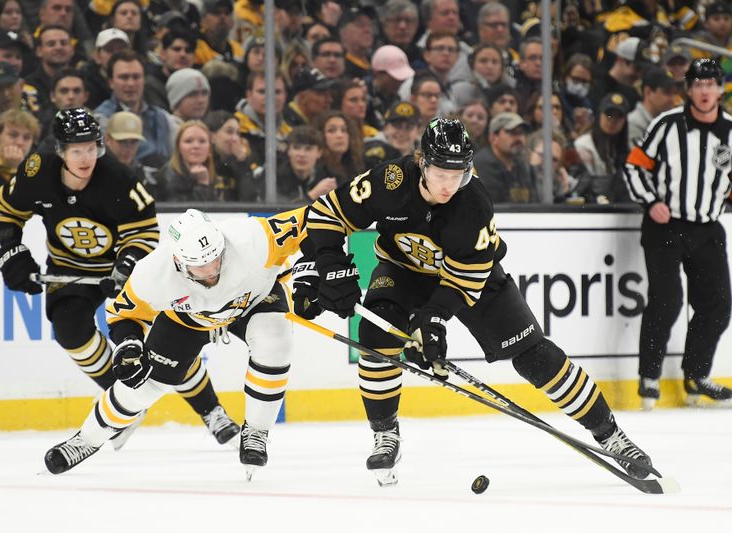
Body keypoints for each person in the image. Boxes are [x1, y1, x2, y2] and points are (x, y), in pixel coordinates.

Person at [294, 118, 654, 486]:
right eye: (439, 173)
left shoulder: (474, 204)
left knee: (536, 356)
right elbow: (326, 213)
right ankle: (385, 434)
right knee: (375, 336)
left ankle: (612, 436)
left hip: (472, 279)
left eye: (458, 174)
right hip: (402, 270)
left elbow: (465, 280)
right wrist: (326, 267)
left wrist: (431, 320)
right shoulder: (390, 181)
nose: (449, 184)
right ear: (421, 162)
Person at [0, 108, 239, 449]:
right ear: (60, 151)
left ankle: (212, 411)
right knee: (71, 333)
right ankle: (122, 400)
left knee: (166, 345)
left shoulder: (118, 179)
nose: (85, 157)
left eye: (91, 147)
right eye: (76, 150)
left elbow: (145, 232)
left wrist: (125, 268)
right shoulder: (37, 172)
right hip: (69, 268)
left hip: (124, 271)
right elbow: (6, 212)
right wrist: (11, 250)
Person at [43, 206, 307, 478]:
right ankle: (86, 439)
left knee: (275, 341)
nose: (212, 270)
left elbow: (316, 220)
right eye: (200, 265)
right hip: (190, 318)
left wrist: (315, 269)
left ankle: (257, 430)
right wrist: (130, 344)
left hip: (254, 299)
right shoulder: (152, 273)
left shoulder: (251, 237)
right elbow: (123, 315)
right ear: (178, 260)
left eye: (216, 259)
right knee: (144, 386)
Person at [623, 58, 732, 409]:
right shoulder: (666, 125)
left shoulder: (730, 131)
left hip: (708, 227)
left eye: (710, 84)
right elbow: (634, 165)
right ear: (688, 89)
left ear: (720, 88)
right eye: (697, 84)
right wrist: (650, 201)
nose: (704, 91)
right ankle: (649, 377)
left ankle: (696, 375)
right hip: (665, 225)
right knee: (667, 300)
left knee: (717, 304)